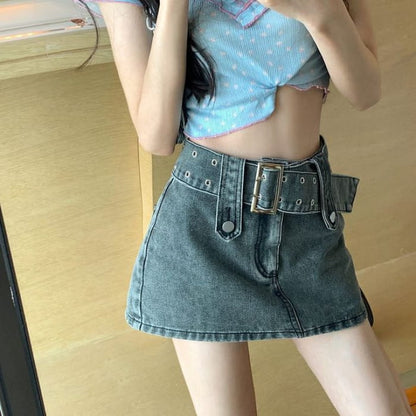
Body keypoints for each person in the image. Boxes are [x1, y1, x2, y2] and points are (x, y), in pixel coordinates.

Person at [74, 1, 413, 415]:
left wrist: (317, 11)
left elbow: (366, 92)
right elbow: (156, 136)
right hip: (205, 227)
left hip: (306, 225)